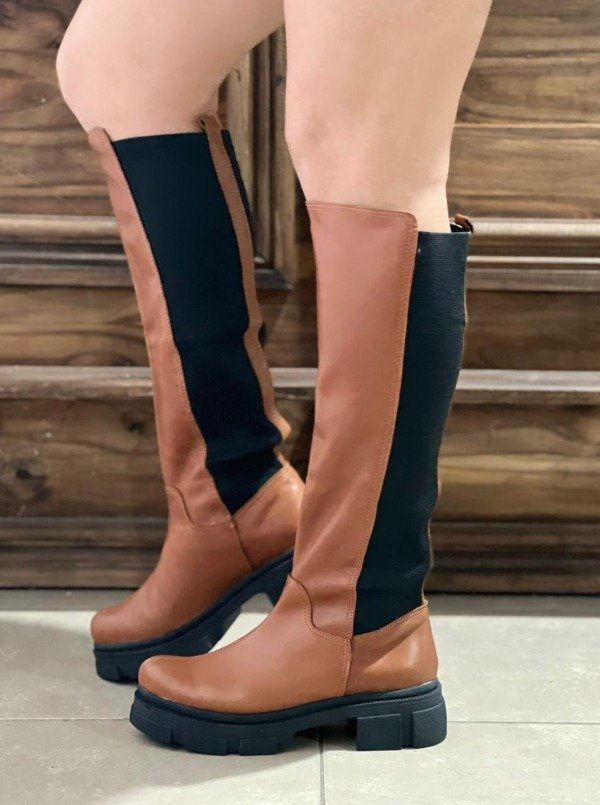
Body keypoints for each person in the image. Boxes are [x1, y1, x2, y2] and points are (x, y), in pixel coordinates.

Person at [56, 0, 492, 755]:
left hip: (360, 623)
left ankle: (363, 619)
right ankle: (235, 502)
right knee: (120, 70)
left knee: (363, 147)